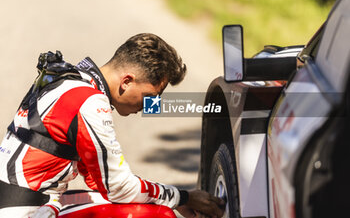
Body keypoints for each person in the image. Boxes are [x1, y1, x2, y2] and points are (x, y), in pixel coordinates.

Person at [0, 33, 225, 218]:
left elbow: (98, 179)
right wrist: (182, 197)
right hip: (24, 210)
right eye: (150, 96)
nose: (150, 106)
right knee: (157, 215)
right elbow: (118, 187)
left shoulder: (72, 80)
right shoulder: (89, 102)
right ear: (127, 81)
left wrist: (170, 196)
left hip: (21, 201)